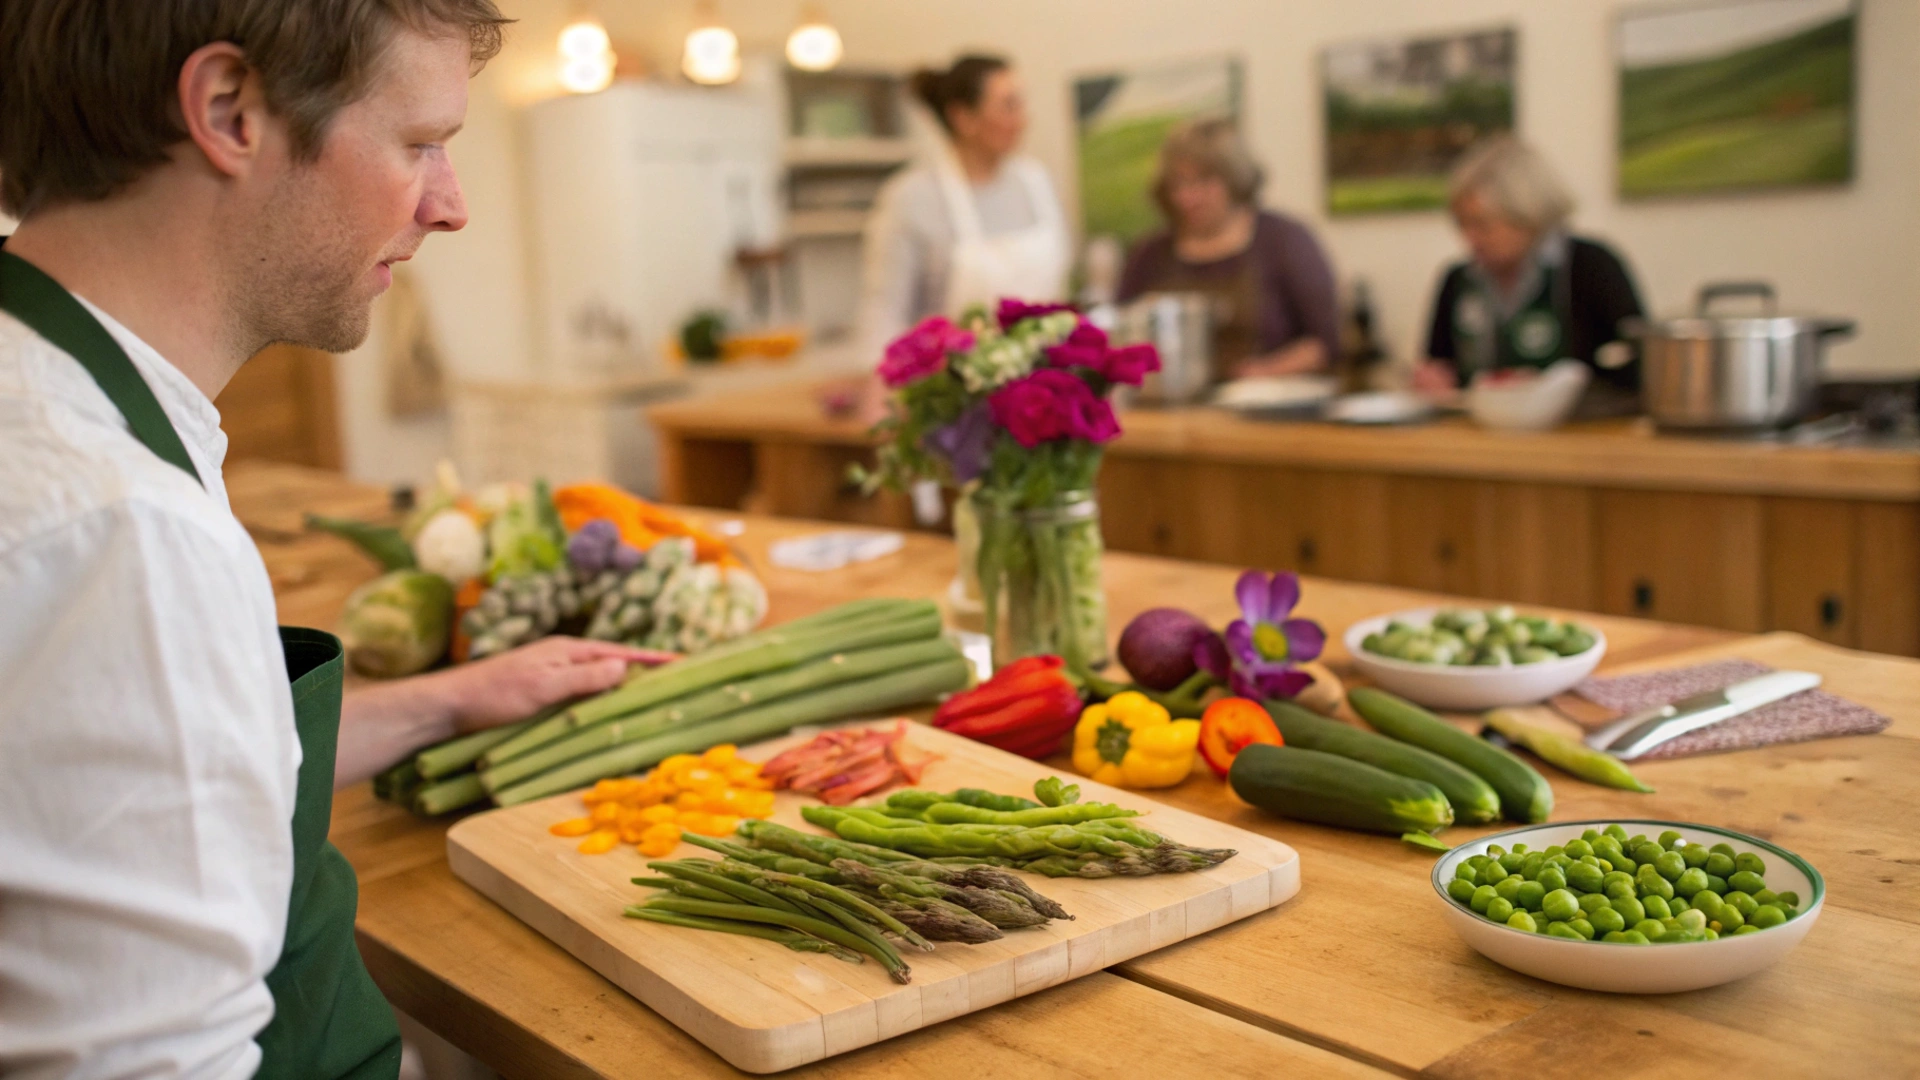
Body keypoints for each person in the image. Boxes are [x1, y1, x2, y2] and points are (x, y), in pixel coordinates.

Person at [0, 4, 660, 1076]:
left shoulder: (53, 388)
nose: (451, 207)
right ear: (230, 112)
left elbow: (103, 786)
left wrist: (447, 701)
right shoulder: (116, 532)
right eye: (420, 143)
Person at [852, 54, 1071, 365]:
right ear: (963, 118)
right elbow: (883, 311)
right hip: (951, 393)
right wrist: (879, 386)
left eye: (1021, 104)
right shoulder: (911, 198)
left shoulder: (1037, 183)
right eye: (1008, 106)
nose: (1022, 119)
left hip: (1041, 387)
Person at [1414, 136, 1645, 400]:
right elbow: (1438, 364)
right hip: (1478, 436)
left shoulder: (1592, 266)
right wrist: (1434, 381)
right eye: (1462, 225)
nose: (1471, 238)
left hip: (1578, 435)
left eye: (1483, 225)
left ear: (1527, 214)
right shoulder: (1456, 279)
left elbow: (1636, 368)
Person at [1118, 118, 1340, 383]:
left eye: (1203, 181)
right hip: (1169, 411)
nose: (1187, 197)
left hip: (1266, 409)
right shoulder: (1150, 253)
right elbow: (1119, 335)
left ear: (1234, 178)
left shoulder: (1285, 241)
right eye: (1177, 184)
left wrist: (1263, 372)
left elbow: (1325, 343)